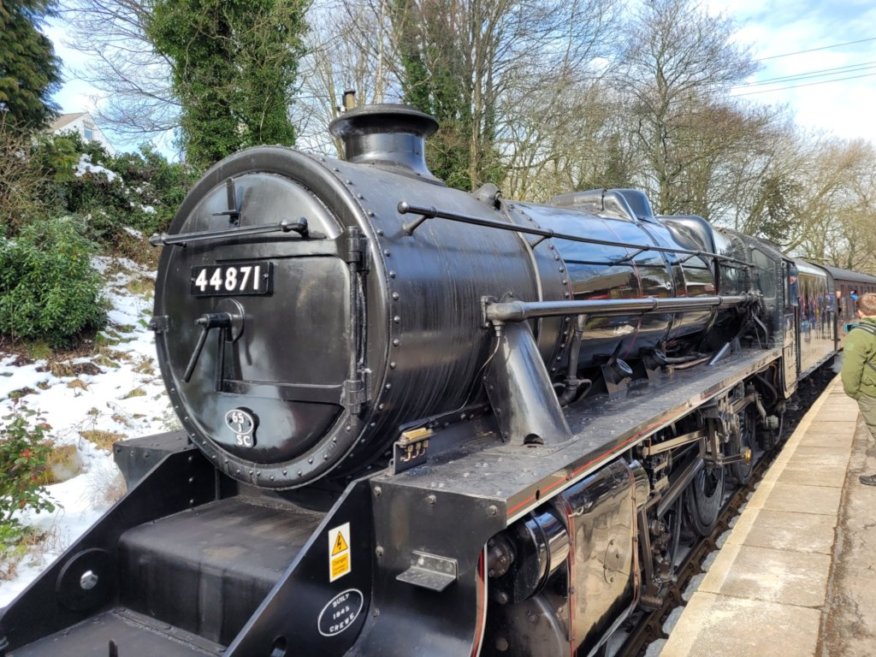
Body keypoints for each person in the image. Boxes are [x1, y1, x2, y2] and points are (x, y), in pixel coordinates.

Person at [841, 291, 876, 485]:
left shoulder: (859, 335)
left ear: (860, 313)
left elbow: (851, 371)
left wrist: (853, 392)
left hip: (871, 391)